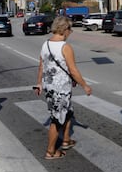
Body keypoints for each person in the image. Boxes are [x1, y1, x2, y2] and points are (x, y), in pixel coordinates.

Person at [34, 16, 92, 160]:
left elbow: (42, 65)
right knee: (56, 120)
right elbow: (73, 70)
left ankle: (65, 140)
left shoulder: (45, 44)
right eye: (70, 29)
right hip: (60, 90)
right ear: (65, 29)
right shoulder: (65, 47)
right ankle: (51, 151)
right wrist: (85, 85)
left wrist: (39, 83)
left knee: (68, 113)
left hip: (50, 87)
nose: (70, 32)